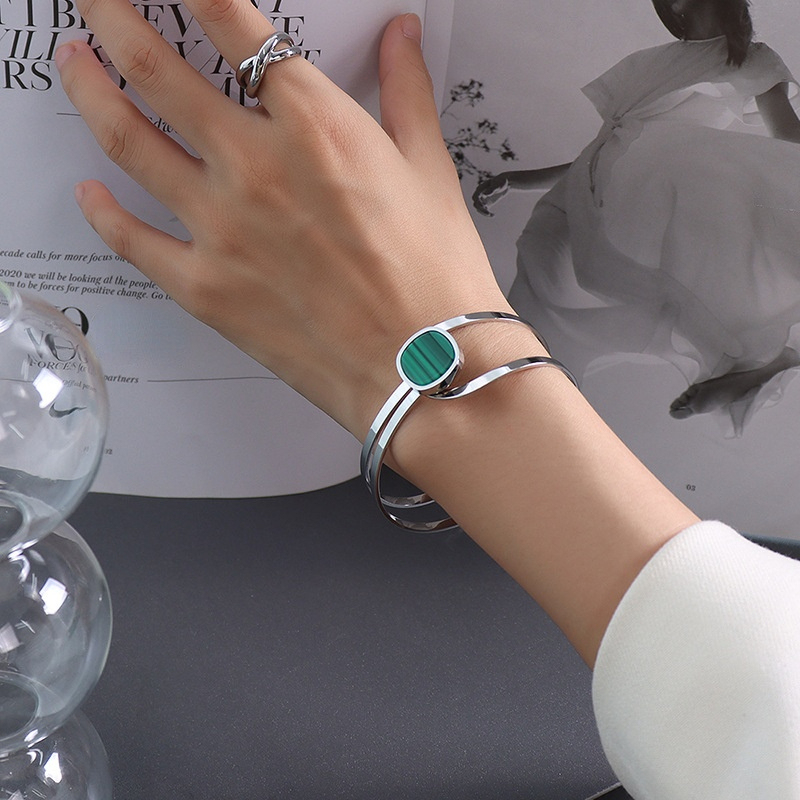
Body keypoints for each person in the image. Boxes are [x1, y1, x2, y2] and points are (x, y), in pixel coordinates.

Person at [53, 1, 800, 797]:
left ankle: (751, 353)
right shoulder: (660, 72)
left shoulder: (749, 70)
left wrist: (456, 391)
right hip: (593, 209)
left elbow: (760, 722)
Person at [474, 0, 800, 434]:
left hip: (643, 191)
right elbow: (603, 150)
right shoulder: (653, 61)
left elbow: (788, 136)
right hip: (579, 197)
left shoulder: (749, 57)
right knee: (538, 279)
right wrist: (519, 179)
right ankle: (524, 402)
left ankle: (747, 360)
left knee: (651, 276)